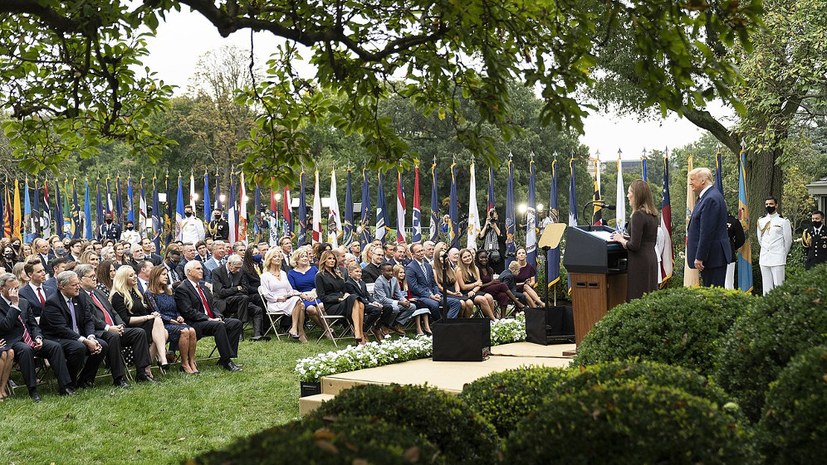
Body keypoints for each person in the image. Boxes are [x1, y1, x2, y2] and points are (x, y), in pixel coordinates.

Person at [0, 273, 75, 401]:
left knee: (55, 347)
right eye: (12, 289)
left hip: (30, 338)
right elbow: (6, 326)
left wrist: (38, 337)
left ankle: (65, 385)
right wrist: (13, 305)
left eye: (17, 288)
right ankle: (33, 390)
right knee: (26, 350)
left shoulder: (24, 302)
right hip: (12, 341)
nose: (15, 292)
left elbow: (33, 325)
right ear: (2, 289)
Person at [76, 264, 154, 384]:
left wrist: (121, 325)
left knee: (139, 332)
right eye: (91, 276)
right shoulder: (79, 296)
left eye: (94, 276)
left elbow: (113, 311)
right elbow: (89, 318)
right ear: (81, 279)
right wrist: (108, 327)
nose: (94, 279)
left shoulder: (98, 292)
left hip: (115, 328)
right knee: (113, 337)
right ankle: (119, 378)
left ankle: (142, 372)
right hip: (98, 331)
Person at [40, 271, 108, 389]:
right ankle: (69, 383)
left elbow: (88, 320)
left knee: (102, 345)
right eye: (74, 285)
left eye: (78, 284)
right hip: (58, 337)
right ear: (62, 286)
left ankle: (85, 380)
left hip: (76, 336)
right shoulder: (53, 302)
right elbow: (61, 329)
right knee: (78, 347)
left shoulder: (80, 297)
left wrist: (91, 337)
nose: (78, 287)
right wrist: (85, 341)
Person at [175, 260, 243, 371]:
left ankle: (225, 358)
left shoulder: (203, 288)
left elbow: (213, 306)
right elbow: (188, 311)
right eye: (198, 269)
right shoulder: (182, 289)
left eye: (201, 268)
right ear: (189, 272)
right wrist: (209, 319)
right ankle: (227, 361)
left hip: (211, 320)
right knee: (219, 326)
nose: (201, 270)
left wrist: (218, 316)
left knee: (235, 323)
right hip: (195, 323)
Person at [110, 266, 171, 370]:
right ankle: (160, 359)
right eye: (131, 275)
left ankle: (148, 367)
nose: (135, 277)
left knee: (161, 327)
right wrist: (148, 317)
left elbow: (144, 312)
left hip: (143, 325)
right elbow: (126, 320)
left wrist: (153, 315)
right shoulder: (118, 296)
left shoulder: (136, 293)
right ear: (123, 278)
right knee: (162, 331)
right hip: (130, 328)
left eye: (134, 274)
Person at [610, 179, 659, 301]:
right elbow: (647, 239)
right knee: (649, 296)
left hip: (639, 262)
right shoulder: (653, 215)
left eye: (629, 192)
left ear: (636, 195)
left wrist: (621, 239)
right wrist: (626, 237)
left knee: (637, 296)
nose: (627, 196)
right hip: (651, 259)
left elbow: (634, 245)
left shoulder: (638, 215)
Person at [145, 266, 199, 374]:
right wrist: (170, 320)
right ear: (156, 276)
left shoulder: (169, 292)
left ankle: (191, 361)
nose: (166, 277)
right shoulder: (149, 293)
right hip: (162, 325)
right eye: (163, 274)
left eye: (166, 274)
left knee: (192, 330)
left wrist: (179, 316)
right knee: (184, 331)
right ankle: (184, 363)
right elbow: (156, 312)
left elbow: (176, 309)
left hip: (175, 321)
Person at [685, 167, 731, 287]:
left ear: (703, 181)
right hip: (711, 257)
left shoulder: (710, 199)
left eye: (692, 179)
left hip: (713, 257)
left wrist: (700, 257)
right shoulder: (706, 197)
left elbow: (706, 232)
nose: (690, 183)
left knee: (713, 297)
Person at [315, 250, 367, 345]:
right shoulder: (320, 276)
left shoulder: (338, 274)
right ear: (324, 261)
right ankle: (358, 333)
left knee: (360, 304)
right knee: (355, 300)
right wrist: (339, 299)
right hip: (332, 305)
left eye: (334, 259)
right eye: (329, 259)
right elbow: (322, 297)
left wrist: (346, 294)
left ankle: (359, 334)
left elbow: (344, 290)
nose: (332, 261)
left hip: (344, 302)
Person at [212, 254, 267, 341]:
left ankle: (257, 334)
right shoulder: (217, 272)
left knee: (257, 310)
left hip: (240, 301)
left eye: (239, 268)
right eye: (236, 268)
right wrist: (236, 288)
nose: (238, 270)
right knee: (244, 298)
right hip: (224, 301)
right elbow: (221, 292)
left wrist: (232, 290)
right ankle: (239, 330)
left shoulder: (240, 271)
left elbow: (245, 289)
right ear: (229, 264)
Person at [259, 248, 306, 342]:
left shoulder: (283, 273)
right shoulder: (265, 276)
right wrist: (277, 299)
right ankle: (298, 331)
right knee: (299, 302)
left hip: (288, 301)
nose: (278, 258)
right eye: (275, 257)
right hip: (274, 303)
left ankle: (296, 330)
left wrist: (301, 294)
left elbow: (289, 290)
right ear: (269, 259)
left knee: (300, 303)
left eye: (279, 257)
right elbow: (266, 294)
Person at [405, 242, 452, 321]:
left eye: (422, 250)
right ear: (413, 254)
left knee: (456, 302)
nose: (421, 253)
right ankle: (438, 324)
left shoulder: (428, 266)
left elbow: (434, 283)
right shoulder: (410, 268)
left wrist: (436, 293)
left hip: (434, 295)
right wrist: (429, 296)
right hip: (421, 297)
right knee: (434, 304)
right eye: (418, 251)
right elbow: (414, 287)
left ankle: (448, 322)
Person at [756, 196, 792, 295]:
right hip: (764, 257)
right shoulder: (761, 221)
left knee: (779, 285)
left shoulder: (783, 221)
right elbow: (760, 239)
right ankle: (767, 308)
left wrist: (782, 254)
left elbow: (788, 240)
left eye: (771, 204)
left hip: (778, 257)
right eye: (767, 204)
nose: (769, 206)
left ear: (776, 205)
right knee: (766, 286)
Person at [345, 262, 390, 341]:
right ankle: (364, 330)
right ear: (350, 272)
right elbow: (356, 297)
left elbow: (368, 295)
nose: (359, 274)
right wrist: (370, 303)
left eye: (360, 272)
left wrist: (374, 302)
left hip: (367, 303)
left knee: (388, 308)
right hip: (358, 305)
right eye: (357, 271)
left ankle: (377, 327)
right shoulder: (348, 283)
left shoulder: (362, 282)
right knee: (377, 310)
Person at [432, 242, 473, 318]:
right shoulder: (435, 271)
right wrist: (452, 293)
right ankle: (458, 321)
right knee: (462, 304)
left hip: (455, 292)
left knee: (470, 303)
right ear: (437, 258)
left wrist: (457, 291)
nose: (444, 258)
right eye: (441, 257)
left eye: (446, 257)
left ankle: (466, 322)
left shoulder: (450, 268)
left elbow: (456, 282)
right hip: (445, 293)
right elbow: (439, 286)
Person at [287, 247, 325, 331]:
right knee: (311, 309)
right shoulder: (291, 273)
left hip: (315, 294)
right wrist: (303, 295)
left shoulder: (314, 269)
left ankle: (327, 330)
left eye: (306, 256)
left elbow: (319, 284)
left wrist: (314, 293)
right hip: (302, 296)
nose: (305, 258)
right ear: (296, 259)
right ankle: (326, 329)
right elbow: (292, 289)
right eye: (302, 256)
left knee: (321, 306)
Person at [455, 248, 498, 320]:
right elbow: (463, 287)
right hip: (466, 293)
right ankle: (493, 319)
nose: (468, 258)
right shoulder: (459, 270)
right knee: (482, 299)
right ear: (461, 259)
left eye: (469, 256)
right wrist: (475, 284)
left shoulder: (475, 268)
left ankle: (489, 317)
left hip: (475, 291)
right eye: (465, 257)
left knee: (489, 297)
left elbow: (480, 284)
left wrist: (474, 290)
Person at [478, 208, 505, 273]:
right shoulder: (487, 226)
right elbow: (480, 237)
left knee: (499, 272)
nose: (492, 217)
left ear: (497, 216)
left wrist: (495, 227)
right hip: (487, 254)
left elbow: (503, 238)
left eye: (494, 216)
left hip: (498, 254)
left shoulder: (501, 225)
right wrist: (486, 225)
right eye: (490, 215)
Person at [724, 212, 746, 289]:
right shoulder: (711, 219)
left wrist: (733, 247)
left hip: (729, 254)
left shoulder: (733, 221)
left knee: (728, 282)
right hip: (713, 255)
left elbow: (740, 239)